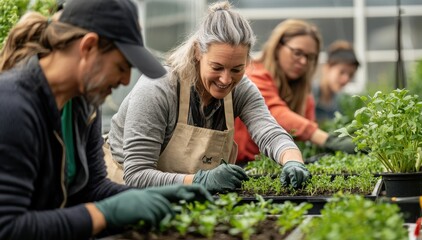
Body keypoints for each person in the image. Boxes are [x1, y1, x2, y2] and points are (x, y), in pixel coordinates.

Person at [0, 0, 213, 239]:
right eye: (121, 66)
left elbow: (93, 188)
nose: (124, 81)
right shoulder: (13, 107)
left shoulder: (84, 105)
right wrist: (102, 214)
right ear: (88, 46)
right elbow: (8, 227)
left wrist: (151, 196)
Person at [107, 1, 310, 193]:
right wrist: (200, 180)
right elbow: (137, 176)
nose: (226, 79)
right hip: (125, 194)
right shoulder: (158, 88)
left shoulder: (241, 89)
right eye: (217, 67)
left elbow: (269, 132)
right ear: (197, 52)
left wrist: (292, 161)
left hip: (187, 197)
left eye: (237, 69)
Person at [234, 19, 356, 164]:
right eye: (297, 53)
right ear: (278, 47)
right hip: (240, 166)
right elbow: (274, 111)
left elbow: (303, 127)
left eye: (310, 57)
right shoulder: (255, 75)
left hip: (270, 167)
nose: (304, 61)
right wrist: (327, 140)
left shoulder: (303, 92)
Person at [312, 40, 360, 123]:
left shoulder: (341, 105)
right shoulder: (308, 94)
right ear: (327, 68)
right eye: (341, 72)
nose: (346, 79)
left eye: (351, 75)